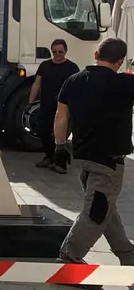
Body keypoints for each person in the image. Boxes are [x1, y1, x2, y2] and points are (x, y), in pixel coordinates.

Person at [53, 37, 134, 272]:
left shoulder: (74, 80)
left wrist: (59, 147)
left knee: (105, 207)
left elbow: (61, 117)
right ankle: (69, 257)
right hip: (108, 161)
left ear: (96, 55)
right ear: (120, 61)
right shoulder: (125, 84)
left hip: (82, 158)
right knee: (97, 211)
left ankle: (128, 255)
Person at [29, 39, 79, 174]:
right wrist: (30, 101)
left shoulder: (72, 67)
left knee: (60, 135)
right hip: (46, 104)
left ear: (66, 51)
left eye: (60, 52)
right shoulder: (45, 65)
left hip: (63, 107)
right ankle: (49, 157)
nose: (57, 54)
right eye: (55, 52)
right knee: (42, 130)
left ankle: (60, 163)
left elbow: (76, 87)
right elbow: (37, 83)